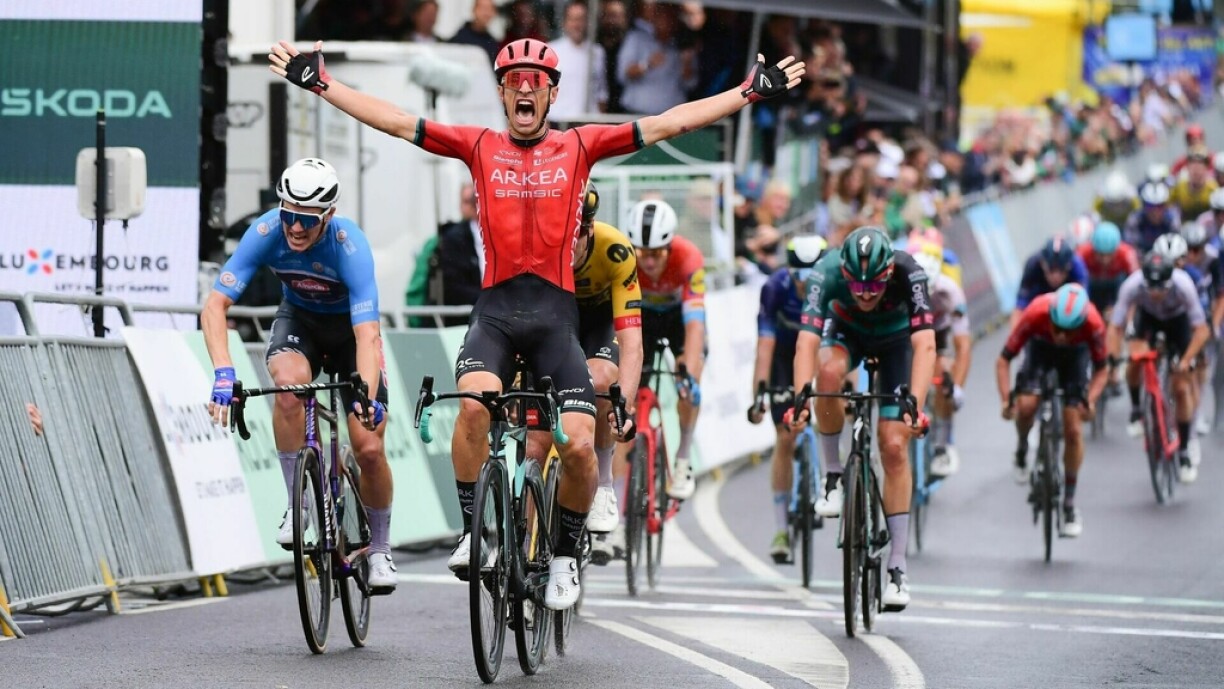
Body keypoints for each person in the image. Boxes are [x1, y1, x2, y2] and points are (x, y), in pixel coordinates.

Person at [269, 35, 804, 610]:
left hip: (556, 321)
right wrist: (322, 84)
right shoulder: (479, 146)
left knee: (576, 446)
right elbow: (397, 121)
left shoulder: (579, 147)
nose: (524, 88)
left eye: (536, 81)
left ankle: (567, 559)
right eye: (513, 81)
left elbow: (671, 122)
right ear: (501, 92)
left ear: (551, 92)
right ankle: (476, 533)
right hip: (495, 316)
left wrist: (747, 93)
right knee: (474, 405)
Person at [203, 158, 398, 592]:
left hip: (350, 332)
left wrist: (366, 396)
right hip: (300, 324)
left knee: (368, 445)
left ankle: (381, 549)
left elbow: (367, 335)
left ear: (328, 216)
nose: (294, 228)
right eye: (288, 214)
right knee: (289, 391)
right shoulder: (268, 230)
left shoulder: (350, 247)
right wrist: (223, 371)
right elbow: (215, 305)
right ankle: (299, 505)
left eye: (306, 221)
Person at [792, 226, 936, 611]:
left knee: (893, 446)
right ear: (845, 273)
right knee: (826, 377)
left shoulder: (911, 273)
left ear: (889, 272)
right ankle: (834, 476)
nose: (866, 293)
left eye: (875, 284)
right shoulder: (827, 270)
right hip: (847, 333)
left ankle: (898, 568)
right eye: (857, 285)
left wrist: (915, 407)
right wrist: (799, 398)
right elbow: (806, 341)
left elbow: (925, 344)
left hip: (896, 345)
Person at [524, 183, 643, 564]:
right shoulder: (535, 249)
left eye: (575, 233)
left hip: (600, 324)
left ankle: (604, 483)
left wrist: (624, 402)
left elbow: (631, 341)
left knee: (602, 378)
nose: (567, 243)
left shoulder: (615, 248)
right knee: (533, 446)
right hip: (553, 325)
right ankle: (523, 553)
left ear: (589, 229)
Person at [997, 284, 1108, 534]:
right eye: (1057, 328)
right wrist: (1006, 400)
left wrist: (1090, 400)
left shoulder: (1094, 323)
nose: (1061, 336)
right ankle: (1022, 447)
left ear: (1081, 323)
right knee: (1026, 406)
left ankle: (1069, 504)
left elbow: (1102, 370)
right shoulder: (1036, 312)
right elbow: (1003, 359)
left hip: (1075, 357)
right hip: (1040, 350)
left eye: (1069, 331)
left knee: (1073, 429)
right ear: (1050, 317)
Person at [747, 235, 828, 561]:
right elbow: (764, 349)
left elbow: (838, 346)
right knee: (784, 437)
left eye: (812, 280)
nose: (804, 287)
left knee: (831, 408)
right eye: (800, 279)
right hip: (782, 355)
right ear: (790, 273)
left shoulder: (831, 289)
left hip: (820, 350)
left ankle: (826, 482)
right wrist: (758, 397)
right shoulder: (775, 288)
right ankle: (781, 529)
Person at [627, 198, 707, 501]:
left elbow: (696, 323)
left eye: (657, 254)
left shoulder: (689, 258)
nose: (649, 262)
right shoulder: (626, 258)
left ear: (670, 246)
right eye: (643, 253)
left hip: (679, 320)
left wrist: (689, 370)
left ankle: (683, 459)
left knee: (689, 380)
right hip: (642, 319)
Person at [1109, 252, 1210, 483]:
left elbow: (1201, 330)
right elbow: (1115, 327)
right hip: (1148, 320)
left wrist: (1186, 360)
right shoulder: (1132, 285)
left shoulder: (1183, 285)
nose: (1155, 294)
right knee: (1135, 358)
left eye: (1160, 289)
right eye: (1150, 289)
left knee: (1182, 388)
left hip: (1178, 322)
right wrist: (1114, 359)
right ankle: (1136, 410)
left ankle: (1184, 450)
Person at [908, 240, 972, 477]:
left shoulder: (950, 291)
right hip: (910, 332)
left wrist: (956, 388)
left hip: (938, 332)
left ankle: (943, 445)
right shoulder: (904, 288)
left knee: (943, 374)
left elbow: (963, 346)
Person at [1012, 236, 1088, 329]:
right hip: (1040, 302)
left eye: (1061, 270)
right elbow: (1020, 307)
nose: (1056, 277)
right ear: (1042, 264)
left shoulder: (1078, 266)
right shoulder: (1033, 264)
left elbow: (1085, 306)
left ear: (1069, 266)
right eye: (1051, 270)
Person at [550, 0, 608, 120]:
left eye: (581, 19)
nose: (577, 24)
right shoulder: (551, 50)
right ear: (565, 22)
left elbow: (601, 93)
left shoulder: (597, 52)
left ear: (588, 22)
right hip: (560, 122)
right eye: (572, 19)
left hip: (589, 122)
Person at [1125, 182, 1180, 254]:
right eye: (1150, 206)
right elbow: (1130, 246)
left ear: (1165, 206)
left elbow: (1177, 246)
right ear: (1144, 206)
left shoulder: (1172, 219)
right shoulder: (1135, 219)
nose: (1155, 212)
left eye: (1159, 206)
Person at [448, 0, 500, 66]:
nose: (486, 13)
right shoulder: (459, 40)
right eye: (483, 8)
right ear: (474, 10)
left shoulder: (493, 44)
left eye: (490, 9)